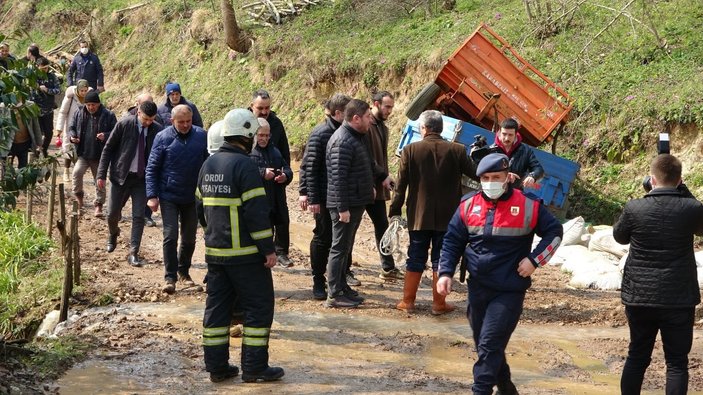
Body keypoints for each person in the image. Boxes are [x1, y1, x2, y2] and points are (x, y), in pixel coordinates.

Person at [437, 153, 562, 395]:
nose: (491, 181)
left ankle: (480, 390)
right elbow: (452, 240)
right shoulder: (468, 205)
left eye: (496, 177)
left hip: (509, 290)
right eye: (486, 177)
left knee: (490, 343)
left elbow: (554, 232)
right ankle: (505, 387)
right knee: (485, 345)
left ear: (507, 177)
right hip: (478, 287)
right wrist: (445, 273)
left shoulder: (528, 204)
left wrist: (534, 260)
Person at [196, 108, 284, 383]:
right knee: (258, 308)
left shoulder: (207, 165)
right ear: (246, 135)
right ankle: (255, 368)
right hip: (246, 257)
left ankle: (217, 368)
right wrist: (268, 249)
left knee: (217, 311)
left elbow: (201, 210)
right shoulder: (244, 166)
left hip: (215, 254)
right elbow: (256, 214)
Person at [613, 154, 703, 395]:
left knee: (637, 356)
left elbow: (619, 236)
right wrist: (685, 192)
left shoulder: (635, 207)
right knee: (676, 362)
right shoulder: (691, 208)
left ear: (651, 180)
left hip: (640, 296)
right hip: (678, 297)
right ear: (680, 180)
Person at [389, 110, 474, 315]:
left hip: (418, 216)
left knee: (415, 256)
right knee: (442, 258)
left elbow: (400, 186)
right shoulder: (458, 150)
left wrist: (394, 211)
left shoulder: (410, 150)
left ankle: (408, 302)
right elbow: (476, 174)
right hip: (449, 218)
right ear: (441, 128)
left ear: (424, 128)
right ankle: (438, 304)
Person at [325, 99, 386, 308]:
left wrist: (382, 177)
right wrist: (342, 208)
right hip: (345, 205)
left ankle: (342, 287)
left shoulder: (357, 138)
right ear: (356, 118)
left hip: (355, 201)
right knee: (339, 248)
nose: (371, 120)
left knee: (347, 246)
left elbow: (368, 164)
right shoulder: (342, 142)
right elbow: (338, 178)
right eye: (368, 117)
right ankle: (333, 294)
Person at [146, 104, 208, 294]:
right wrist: (151, 195)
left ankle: (184, 271)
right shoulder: (162, 137)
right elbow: (152, 168)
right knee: (170, 235)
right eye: (181, 122)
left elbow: (209, 164)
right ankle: (170, 277)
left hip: (192, 196)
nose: (185, 125)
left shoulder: (201, 136)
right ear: (172, 121)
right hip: (169, 195)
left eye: (188, 121)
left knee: (189, 238)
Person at [97, 101, 163, 266]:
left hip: (141, 180)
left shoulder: (157, 130)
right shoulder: (124, 124)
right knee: (112, 213)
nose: (148, 123)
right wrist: (101, 174)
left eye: (151, 119)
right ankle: (113, 233)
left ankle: (133, 252)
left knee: (138, 216)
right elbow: (108, 148)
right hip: (120, 177)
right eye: (146, 119)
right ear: (138, 112)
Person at [299, 93, 351, 300]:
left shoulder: (347, 132)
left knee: (343, 240)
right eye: (347, 113)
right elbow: (310, 167)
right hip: (323, 196)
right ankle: (317, 280)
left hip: (341, 196)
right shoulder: (320, 134)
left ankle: (340, 280)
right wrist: (312, 198)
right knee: (323, 238)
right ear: (338, 113)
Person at [362, 90, 400, 281]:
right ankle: (342, 271)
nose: (390, 111)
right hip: (365, 186)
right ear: (375, 104)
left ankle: (388, 267)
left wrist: (385, 176)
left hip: (378, 186)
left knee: (382, 226)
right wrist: (377, 178)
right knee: (349, 230)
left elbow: (380, 158)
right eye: (387, 106)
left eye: (391, 107)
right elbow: (366, 159)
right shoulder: (366, 126)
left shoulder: (383, 128)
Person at [249, 118, 294, 267]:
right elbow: (246, 172)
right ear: (254, 134)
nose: (264, 138)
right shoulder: (249, 152)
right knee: (264, 226)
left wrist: (285, 176)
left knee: (282, 223)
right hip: (260, 197)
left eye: (267, 135)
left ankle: (281, 253)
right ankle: (263, 253)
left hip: (278, 194)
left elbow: (287, 168)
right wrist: (262, 173)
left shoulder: (275, 151)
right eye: (261, 135)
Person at [68, 91, 117, 216]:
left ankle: (99, 205)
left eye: (93, 105)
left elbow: (116, 132)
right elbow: (71, 127)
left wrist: (105, 136)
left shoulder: (108, 115)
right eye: (88, 104)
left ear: (99, 104)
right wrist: (73, 137)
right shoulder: (79, 113)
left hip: (100, 155)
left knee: (99, 181)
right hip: (83, 153)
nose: (91, 107)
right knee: (76, 173)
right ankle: (79, 199)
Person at [124, 92, 163, 227]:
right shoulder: (127, 120)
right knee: (123, 192)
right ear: (137, 105)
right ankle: (117, 211)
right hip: (130, 164)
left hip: (149, 162)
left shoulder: (157, 121)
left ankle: (146, 216)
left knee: (149, 189)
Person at [484, 118, 543, 190]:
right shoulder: (491, 150)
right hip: (493, 191)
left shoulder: (526, 150)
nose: (506, 138)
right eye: (504, 134)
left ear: (516, 134)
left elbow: (538, 169)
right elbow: (484, 173)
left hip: (515, 193)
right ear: (499, 132)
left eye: (510, 135)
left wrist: (532, 176)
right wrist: (505, 175)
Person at [55, 79, 91, 183]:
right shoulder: (70, 98)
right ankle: (66, 171)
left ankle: (77, 172)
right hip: (71, 127)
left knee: (80, 150)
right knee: (68, 149)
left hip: (84, 127)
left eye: (85, 90)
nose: (84, 93)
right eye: (82, 91)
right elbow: (62, 113)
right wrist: (59, 128)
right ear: (78, 90)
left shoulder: (89, 98)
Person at [249, 89, 290, 164]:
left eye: (267, 108)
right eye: (260, 108)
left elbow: (284, 151)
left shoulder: (276, 123)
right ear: (252, 106)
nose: (264, 112)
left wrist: (285, 173)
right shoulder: (243, 123)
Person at [33, 57, 61, 158]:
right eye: (43, 68)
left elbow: (58, 90)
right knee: (37, 134)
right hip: (35, 110)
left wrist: (47, 90)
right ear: (37, 67)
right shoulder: (32, 77)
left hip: (48, 110)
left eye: (46, 68)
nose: (45, 70)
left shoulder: (52, 76)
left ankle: (44, 149)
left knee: (49, 133)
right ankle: (36, 152)